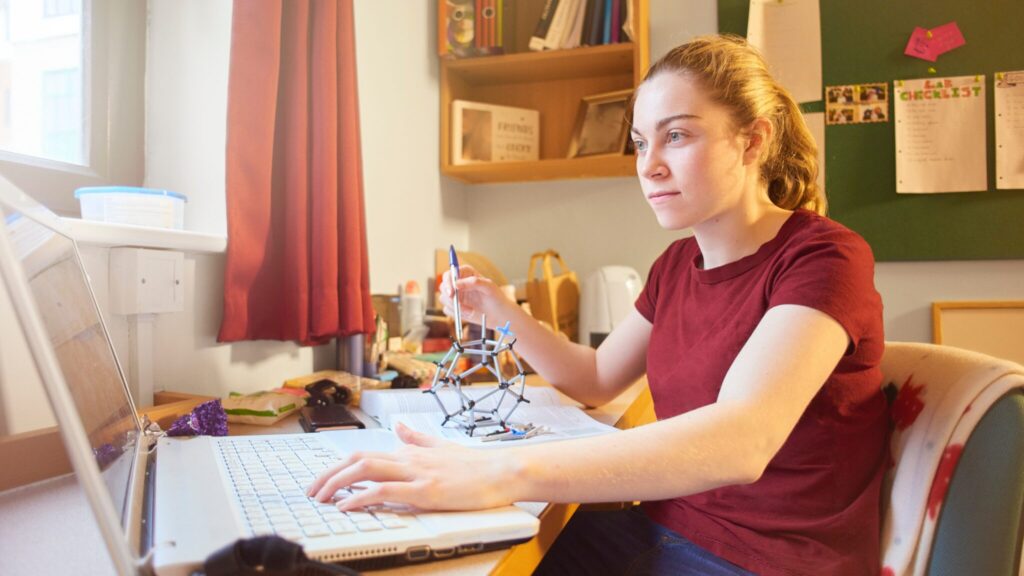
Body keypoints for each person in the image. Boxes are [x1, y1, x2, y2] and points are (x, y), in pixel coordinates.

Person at [307, 34, 888, 576]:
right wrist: (498, 309)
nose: (648, 164)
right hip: (666, 529)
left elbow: (742, 440)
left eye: (677, 136)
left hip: (766, 560)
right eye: (640, 142)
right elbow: (596, 379)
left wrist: (496, 471)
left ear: (753, 140)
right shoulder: (674, 267)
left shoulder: (825, 258)